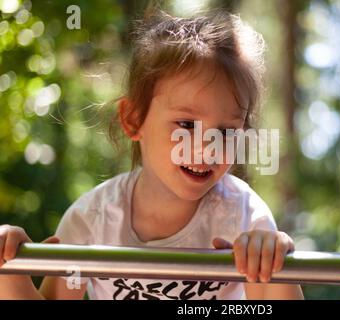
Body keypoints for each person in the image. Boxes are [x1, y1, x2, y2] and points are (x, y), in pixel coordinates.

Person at [0, 9, 303, 300]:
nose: (207, 147)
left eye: (226, 132)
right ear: (134, 119)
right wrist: (8, 268)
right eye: (186, 124)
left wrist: (276, 262)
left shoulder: (245, 217)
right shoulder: (92, 220)